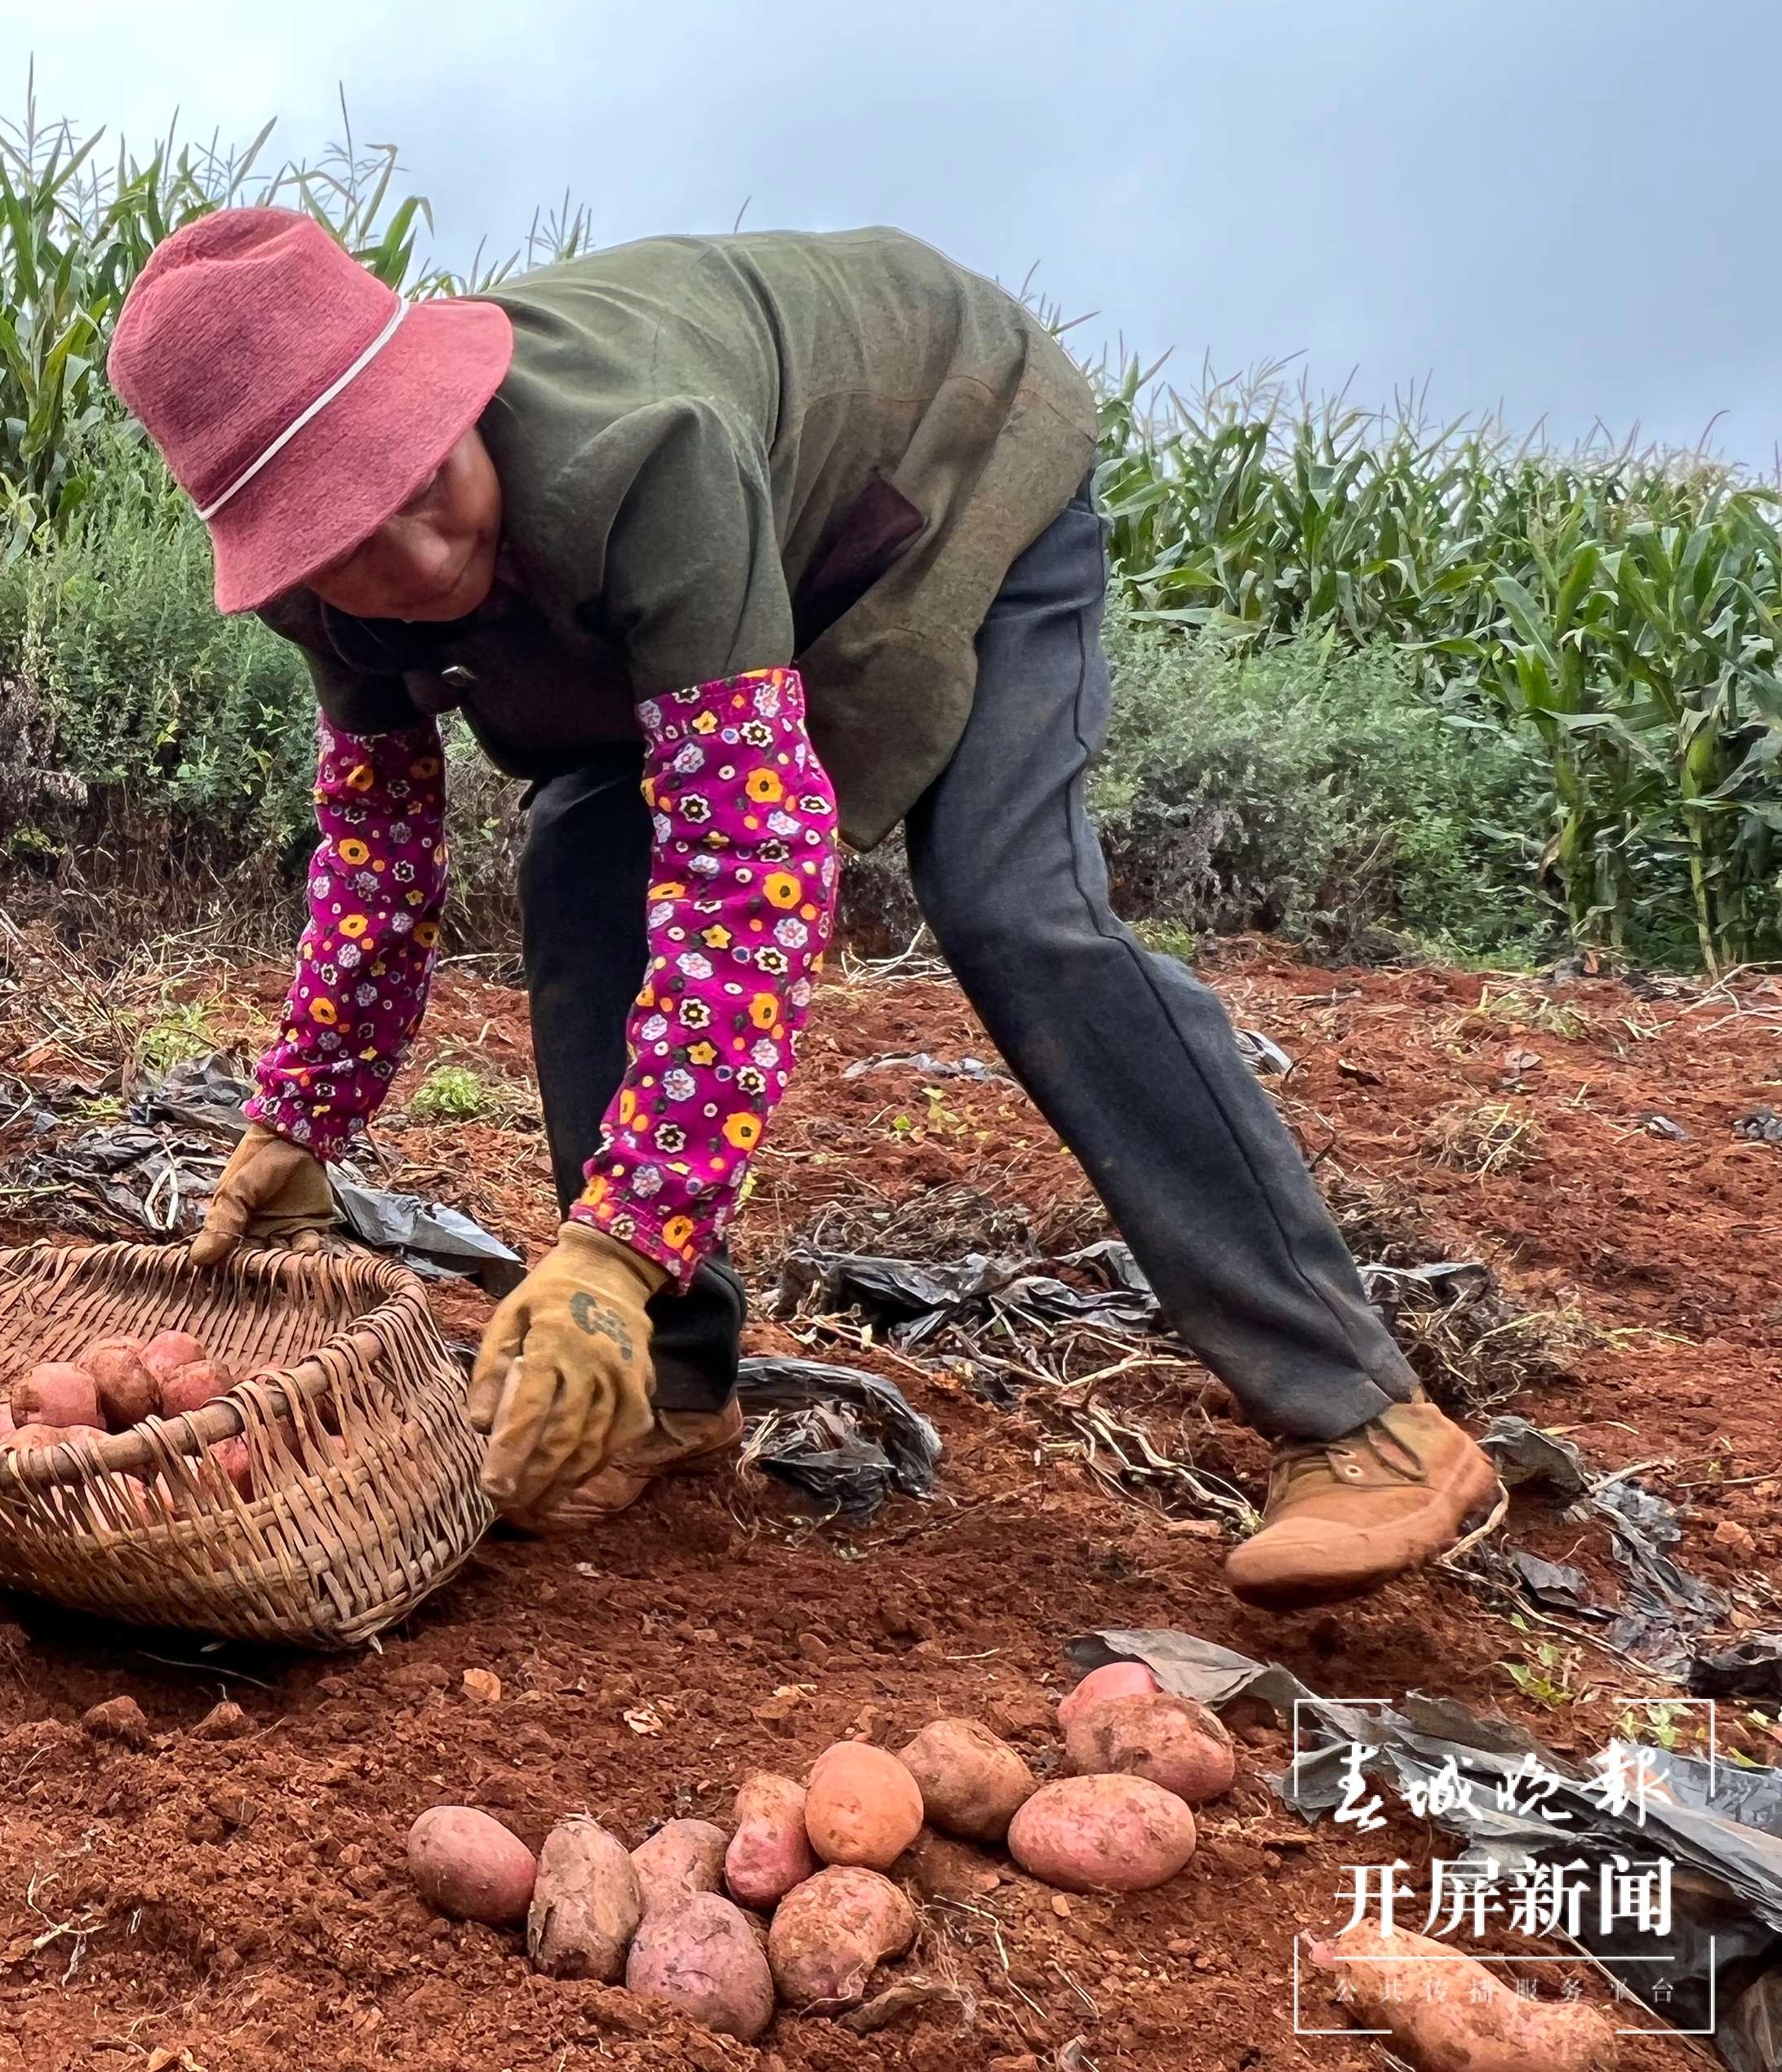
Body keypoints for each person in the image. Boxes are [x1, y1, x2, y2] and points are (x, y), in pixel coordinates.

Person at [104, 207, 1500, 1611]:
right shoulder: (326, 603)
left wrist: (612, 1242)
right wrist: (303, 1120)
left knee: (1016, 905)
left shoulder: (642, 451)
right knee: (583, 868)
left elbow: (744, 876)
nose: (408, 558)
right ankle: (675, 1378)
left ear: (455, 399)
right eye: (347, 538)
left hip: (935, 478)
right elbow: (377, 853)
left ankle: (1361, 1414)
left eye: (421, 482)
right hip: (671, 605)